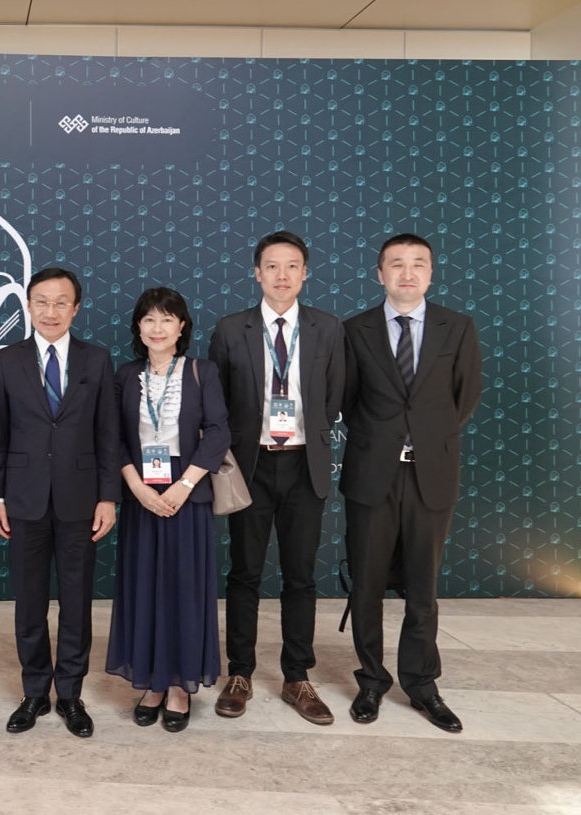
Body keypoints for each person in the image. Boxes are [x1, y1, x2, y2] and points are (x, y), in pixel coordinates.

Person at [341, 233, 482, 732]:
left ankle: (422, 684)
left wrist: (424, 435)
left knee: (423, 587)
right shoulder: (353, 329)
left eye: (418, 263)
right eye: (396, 264)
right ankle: (371, 681)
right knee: (367, 585)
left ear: (431, 273)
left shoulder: (457, 327)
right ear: (379, 274)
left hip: (431, 473)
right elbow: (346, 399)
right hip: (371, 473)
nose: (407, 272)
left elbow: (465, 396)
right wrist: (383, 439)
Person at [206, 230, 345, 725]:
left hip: (305, 465)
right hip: (251, 467)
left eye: (291, 266)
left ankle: (296, 676)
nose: (281, 275)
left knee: (300, 575)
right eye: (271, 266)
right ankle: (240, 673)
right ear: (256, 273)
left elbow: (334, 396)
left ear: (305, 273)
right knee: (244, 572)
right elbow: (217, 403)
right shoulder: (231, 329)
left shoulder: (328, 328)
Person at [0, 267, 120, 738]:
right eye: (41, 301)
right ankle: (33, 692)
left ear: (75, 309)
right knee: (29, 603)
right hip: (23, 499)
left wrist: (108, 497)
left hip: (80, 499)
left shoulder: (96, 359)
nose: (50, 311)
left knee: (76, 603)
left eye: (61, 302)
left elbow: (108, 434)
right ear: (28, 305)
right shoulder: (6, 359)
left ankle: (70, 694)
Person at [106, 287, 230, 732]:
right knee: (144, 587)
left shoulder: (202, 371)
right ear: (138, 328)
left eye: (166, 319)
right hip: (141, 492)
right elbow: (113, 437)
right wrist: (136, 486)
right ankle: (151, 682)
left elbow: (218, 431)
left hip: (187, 492)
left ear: (181, 326)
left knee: (184, 589)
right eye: (149, 320)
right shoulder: (125, 375)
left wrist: (184, 485)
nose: (157, 328)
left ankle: (179, 685)